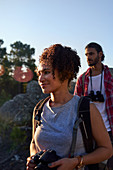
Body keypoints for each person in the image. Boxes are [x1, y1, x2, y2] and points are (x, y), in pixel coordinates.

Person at [26, 44, 112, 170]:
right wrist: (33, 158)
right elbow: (33, 143)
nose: (40, 78)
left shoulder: (86, 109)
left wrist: (77, 161)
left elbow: (107, 150)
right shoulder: (39, 109)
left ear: (64, 73)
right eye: (39, 73)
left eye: (46, 72)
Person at [74, 42, 113, 169]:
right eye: (86, 54)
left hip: (109, 128)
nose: (88, 57)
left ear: (100, 54)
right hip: (89, 131)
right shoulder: (82, 79)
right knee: (92, 167)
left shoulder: (111, 76)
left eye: (91, 54)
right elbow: (76, 105)